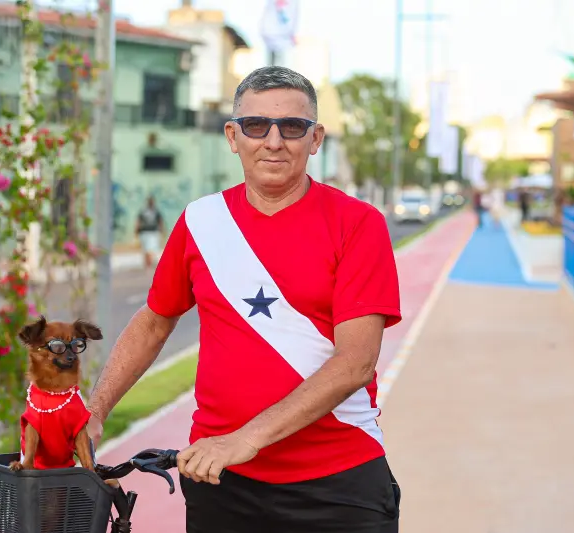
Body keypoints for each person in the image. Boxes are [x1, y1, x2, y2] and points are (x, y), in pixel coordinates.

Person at [86, 66, 403, 533]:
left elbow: (355, 362)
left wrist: (245, 439)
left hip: (338, 483)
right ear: (233, 137)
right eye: (257, 126)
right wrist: (95, 412)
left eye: (292, 127)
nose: (273, 141)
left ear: (315, 139)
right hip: (221, 482)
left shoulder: (358, 223)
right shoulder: (201, 221)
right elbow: (155, 321)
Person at [135, 196, 164, 268]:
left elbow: (160, 221)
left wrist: (161, 230)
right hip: (144, 232)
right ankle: (147, 264)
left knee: (150, 250)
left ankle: (149, 264)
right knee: (146, 250)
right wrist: (136, 230)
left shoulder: (156, 211)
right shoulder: (143, 211)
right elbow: (138, 221)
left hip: (153, 232)